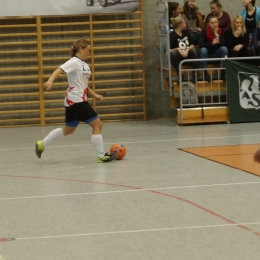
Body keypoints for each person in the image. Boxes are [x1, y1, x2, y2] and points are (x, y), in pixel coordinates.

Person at [35, 38, 116, 163]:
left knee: (69, 129)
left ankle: (41, 144)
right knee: (97, 124)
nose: (89, 53)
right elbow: (58, 70)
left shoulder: (84, 65)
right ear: (80, 49)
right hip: (76, 99)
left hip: (74, 99)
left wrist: (95, 95)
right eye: (88, 50)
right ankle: (101, 156)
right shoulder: (74, 62)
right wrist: (50, 81)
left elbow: (84, 85)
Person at [198, 15, 228, 81]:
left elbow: (224, 43)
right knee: (203, 50)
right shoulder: (204, 31)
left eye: (216, 22)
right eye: (212, 23)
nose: (214, 24)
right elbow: (200, 44)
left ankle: (223, 73)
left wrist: (216, 35)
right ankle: (205, 73)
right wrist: (212, 43)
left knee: (224, 49)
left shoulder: (221, 31)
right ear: (209, 24)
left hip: (217, 54)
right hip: (207, 55)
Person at [169, 16, 199, 83]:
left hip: (187, 54)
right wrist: (178, 49)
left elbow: (192, 44)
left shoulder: (185, 33)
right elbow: (168, 50)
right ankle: (180, 75)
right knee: (174, 53)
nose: (185, 24)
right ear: (180, 25)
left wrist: (187, 49)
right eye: (184, 23)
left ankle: (195, 74)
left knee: (193, 50)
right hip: (178, 57)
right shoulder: (172, 35)